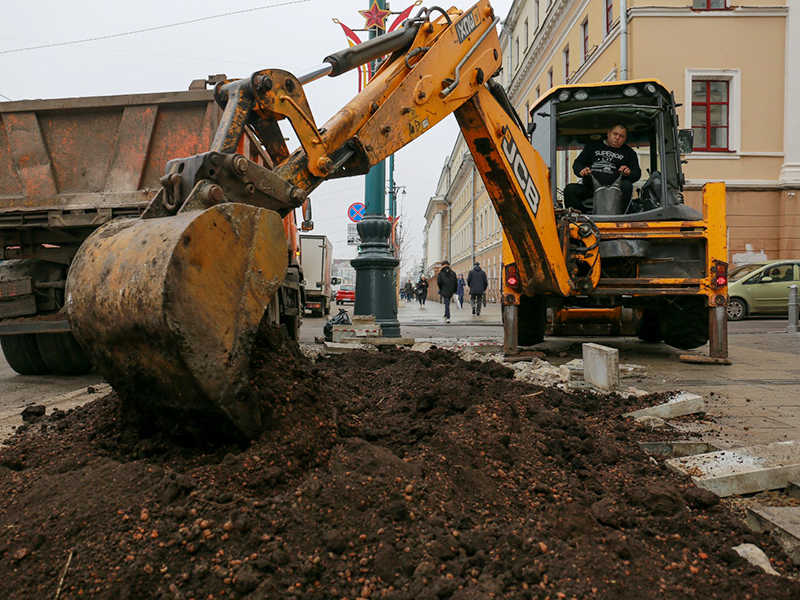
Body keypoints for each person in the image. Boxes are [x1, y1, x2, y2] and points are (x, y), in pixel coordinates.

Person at [563, 124, 641, 212]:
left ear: (625, 138)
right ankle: (576, 217)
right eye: (615, 134)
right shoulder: (592, 146)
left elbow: (637, 173)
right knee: (570, 189)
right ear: (608, 133)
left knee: (627, 185)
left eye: (621, 136)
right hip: (591, 189)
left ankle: (621, 216)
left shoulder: (629, 153)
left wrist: (629, 172)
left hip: (615, 190)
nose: (617, 138)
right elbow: (578, 163)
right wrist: (581, 170)